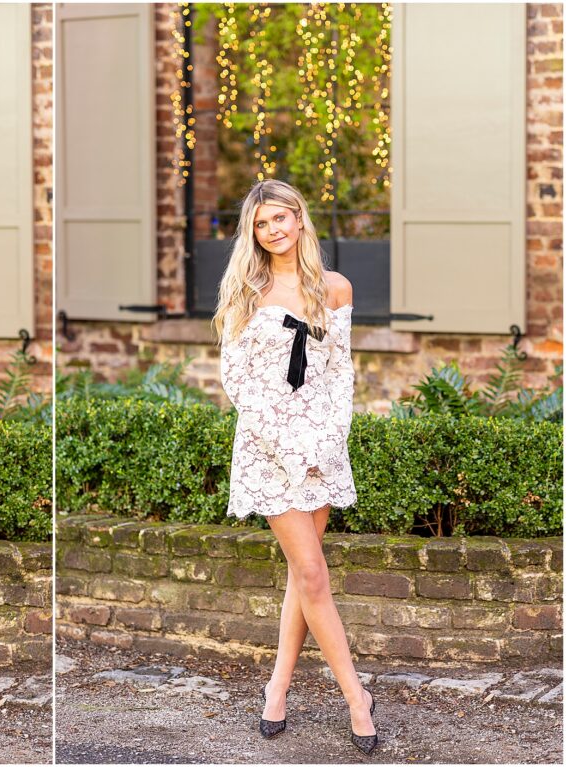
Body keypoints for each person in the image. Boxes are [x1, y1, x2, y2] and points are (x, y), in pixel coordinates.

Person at [214, 179, 377, 755]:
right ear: (253, 234)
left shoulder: (335, 289)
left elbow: (340, 376)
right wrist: (283, 440)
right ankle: (357, 697)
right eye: (262, 223)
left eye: (281, 217)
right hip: (266, 450)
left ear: (300, 220)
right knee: (311, 573)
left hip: (321, 450)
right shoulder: (244, 291)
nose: (274, 229)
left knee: (301, 577)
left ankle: (277, 688)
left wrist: (327, 439)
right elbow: (237, 381)